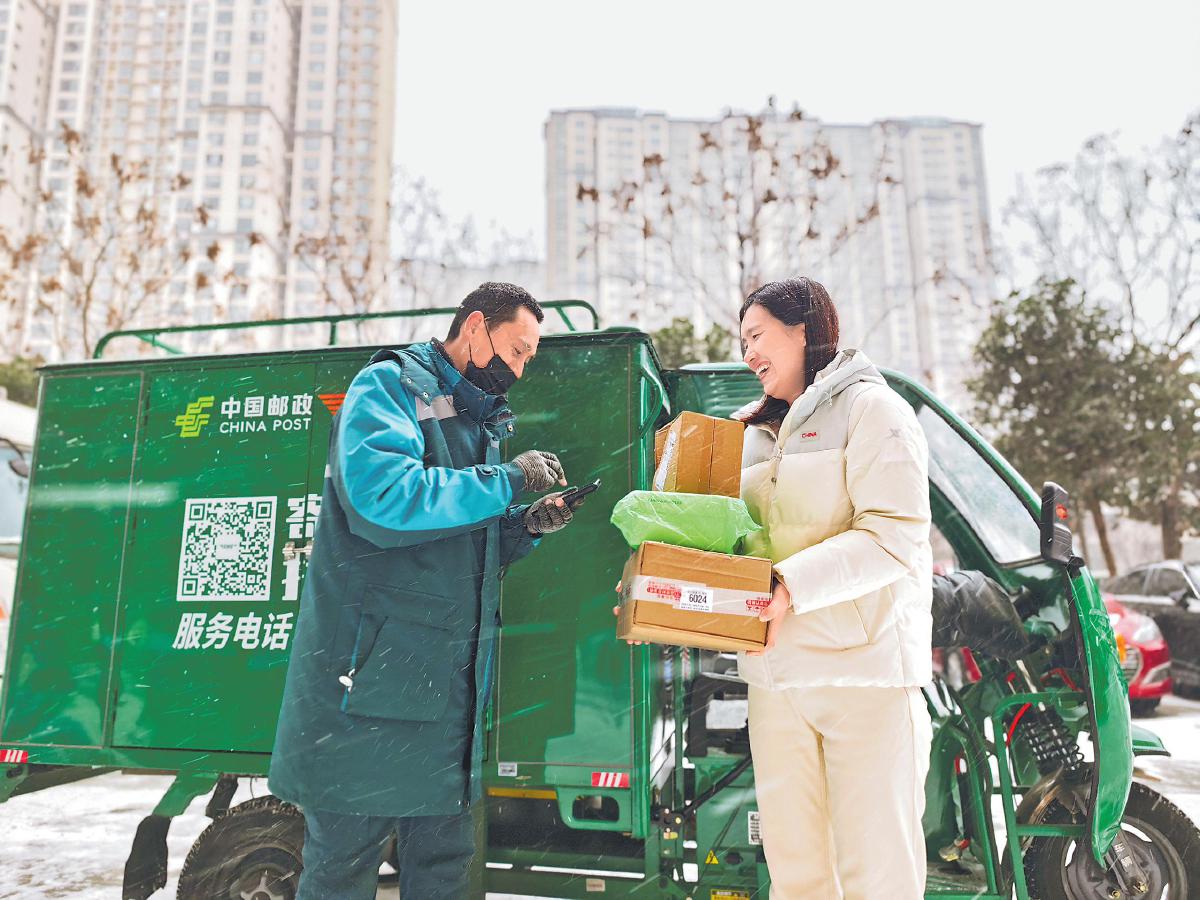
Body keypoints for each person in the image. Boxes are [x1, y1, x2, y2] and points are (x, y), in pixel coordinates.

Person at [269, 282, 582, 900]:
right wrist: (506, 480)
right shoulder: (389, 387)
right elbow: (384, 502)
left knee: (444, 872)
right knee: (341, 873)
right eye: (516, 350)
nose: (520, 370)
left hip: (441, 696)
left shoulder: (476, 419)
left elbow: (452, 546)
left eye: (528, 357)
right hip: (369, 695)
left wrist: (521, 527)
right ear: (475, 326)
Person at [735, 276, 934, 899]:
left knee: (877, 873)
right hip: (776, 677)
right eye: (743, 342)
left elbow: (894, 535)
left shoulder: (874, 410)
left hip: (864, 676)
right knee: (797, 874)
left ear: (803, 330)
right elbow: (736, 542)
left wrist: (790, 584)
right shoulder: (753, 433)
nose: (748, 353)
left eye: (757, 335)